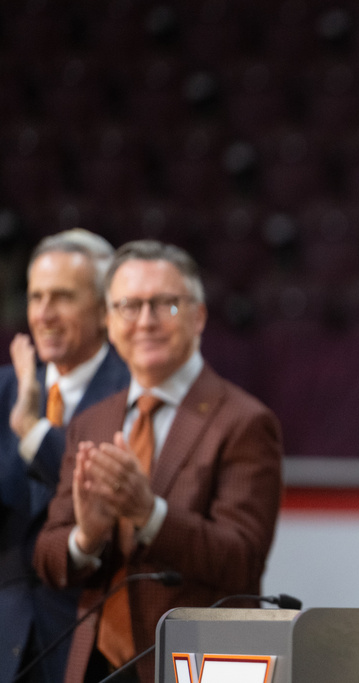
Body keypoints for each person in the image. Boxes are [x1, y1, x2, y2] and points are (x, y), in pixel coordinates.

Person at [33, 240, 283, 683]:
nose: (145, 321)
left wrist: (149, 515)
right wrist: (86, 538)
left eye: (164, 304)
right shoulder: (92, 422)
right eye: (129, 306)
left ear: (198, 316)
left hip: (201, 667)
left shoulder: (244, 421)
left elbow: (242, 560)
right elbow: (48, 558)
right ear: (108, 322)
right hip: (95, 668)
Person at [0, 230, 130, 683]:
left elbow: (104, 501)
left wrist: (33, 433)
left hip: (89, 641)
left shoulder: (134, 393)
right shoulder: (4, 389)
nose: (44, 314)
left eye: (62, 297)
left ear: (103, 308)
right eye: (36, 297)